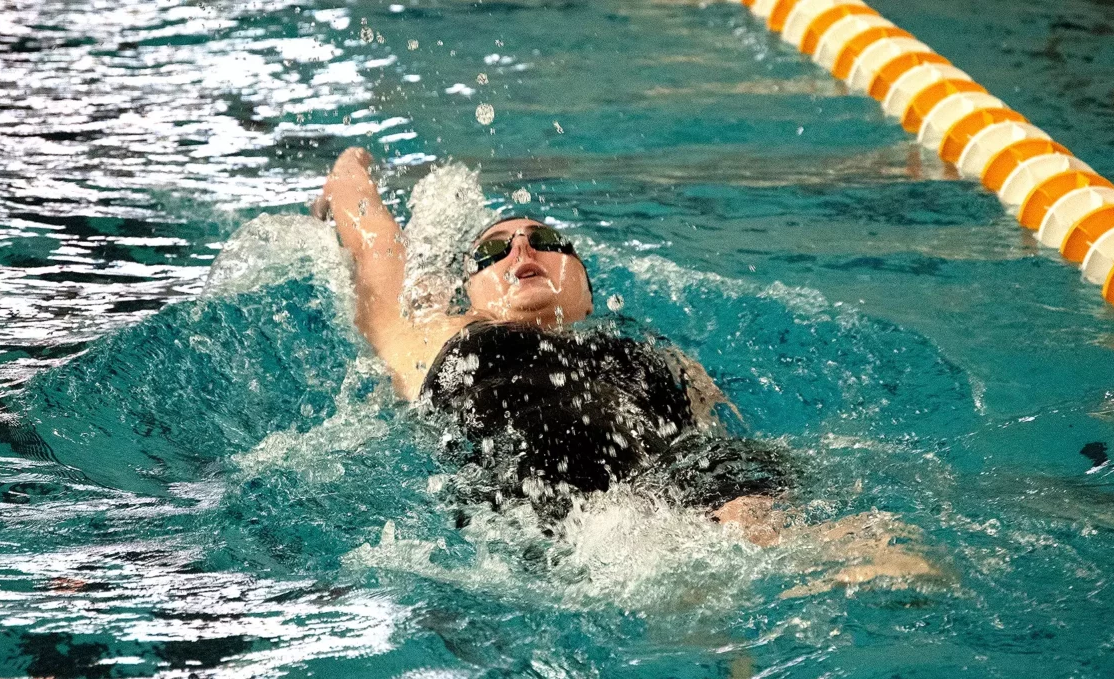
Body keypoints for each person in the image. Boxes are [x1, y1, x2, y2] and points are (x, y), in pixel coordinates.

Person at [314, 147, 798, 538]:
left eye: (544, 239)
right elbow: (374, 241)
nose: (522, 249)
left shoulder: (651, 353)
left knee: (773, 518)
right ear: (469, 292)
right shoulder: (429, 333)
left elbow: (710, 437)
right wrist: (349, 167)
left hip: (679, 500)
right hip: (551, 523)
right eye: (493, 251)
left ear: (585, 290)